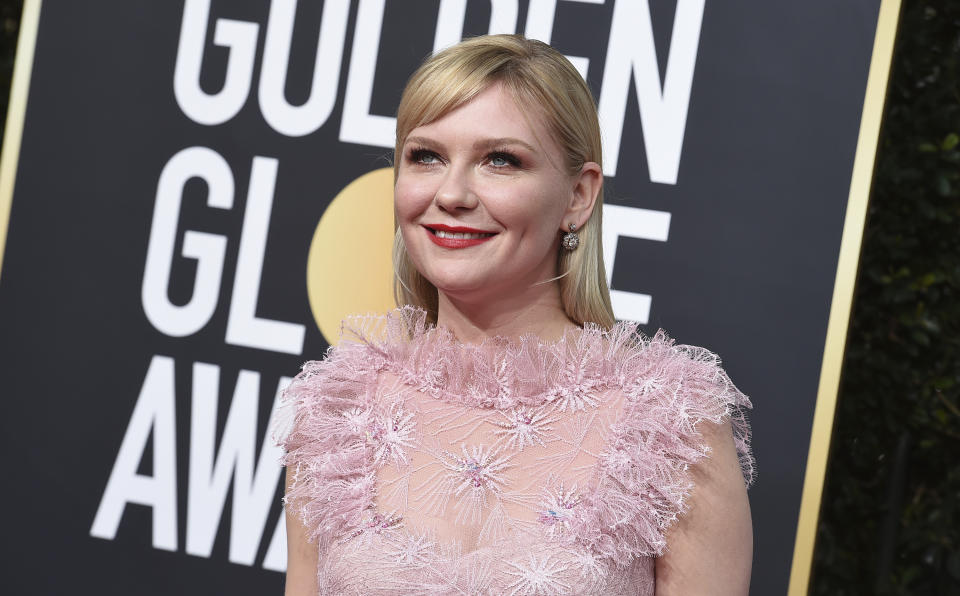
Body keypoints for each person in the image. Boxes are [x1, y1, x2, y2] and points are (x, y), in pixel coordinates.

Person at [276, 34, 754, 595]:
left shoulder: (670, 423)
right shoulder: (339, 411)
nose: (451, 193)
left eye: (500, 160)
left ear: (578, 195)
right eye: (426, 156)